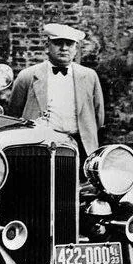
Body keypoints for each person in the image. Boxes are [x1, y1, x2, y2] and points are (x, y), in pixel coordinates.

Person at [8, 23, 105, 161]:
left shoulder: (89, 76)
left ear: (76, 49)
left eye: (69, 44)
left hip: (81, 145)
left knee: (79, 182)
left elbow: (98, 116)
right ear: (47, 46)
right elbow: (14, 114)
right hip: (40, 145)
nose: (64, 48)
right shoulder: (28, 76)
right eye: (58, 43)